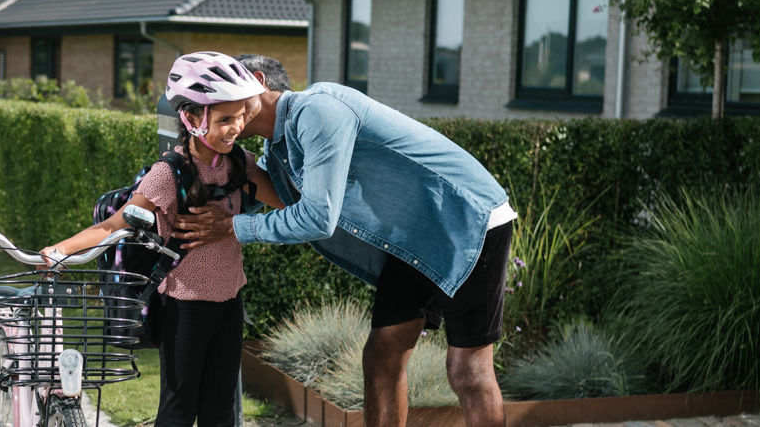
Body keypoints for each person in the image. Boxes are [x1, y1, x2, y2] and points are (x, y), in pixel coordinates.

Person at [175, 54, 515, 427]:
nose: (223, 114)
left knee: (466, 369)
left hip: (466, 217)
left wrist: (234, 228)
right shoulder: (278, 153)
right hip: (410, 240)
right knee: (382, 354)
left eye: (225, 100)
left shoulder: (318, 110)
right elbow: (273, 198)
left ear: (257, 81)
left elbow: (317, 217)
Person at [42, 51, 282, 427]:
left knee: (222, 409)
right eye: (224, 119)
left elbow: (288, 201)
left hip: (230, 298)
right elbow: (113, 225)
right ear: (190, 118)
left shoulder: (241, 163)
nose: (236, 127)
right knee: (180, 407)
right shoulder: (168, 174)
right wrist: (61, 249)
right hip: (185, 307)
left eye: (239, 116)